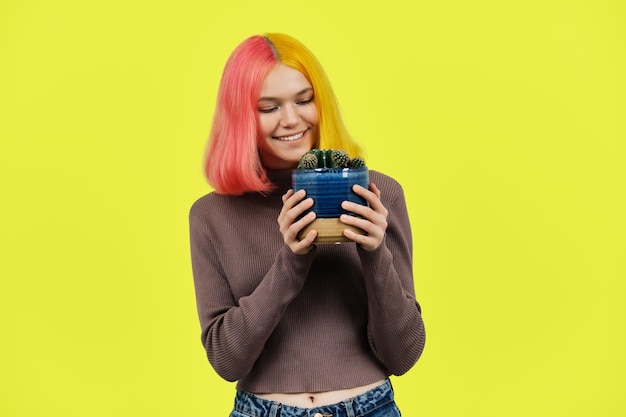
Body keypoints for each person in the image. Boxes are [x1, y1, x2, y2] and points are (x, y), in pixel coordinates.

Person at [189, 33, 426, 417]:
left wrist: (374, 251)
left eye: (304, 100)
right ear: (241, 117)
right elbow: (226, 362)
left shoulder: (380, 196)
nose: (292, 119)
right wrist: (292, 259)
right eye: (269, 107)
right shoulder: (210, 216)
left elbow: (403, 355)